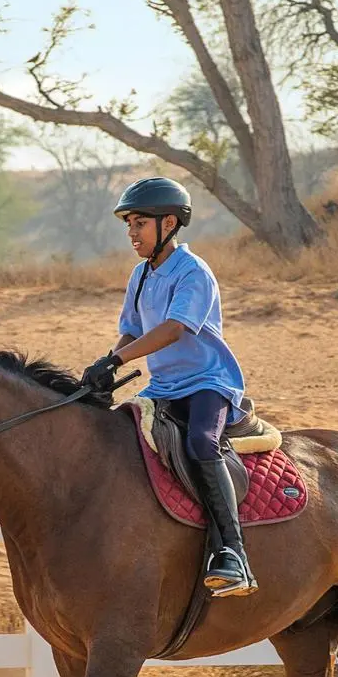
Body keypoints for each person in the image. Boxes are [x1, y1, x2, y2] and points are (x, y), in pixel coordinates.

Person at [82, 176, 255, 597]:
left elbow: (174, 329)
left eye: (139, 223)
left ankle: (233, 553)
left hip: (207, 383)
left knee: (200, 443)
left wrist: (120, 359)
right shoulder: (140, 275)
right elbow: (131, 331)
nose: (131, 233)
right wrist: (106, 362)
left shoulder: (194, 272)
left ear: (170, 224)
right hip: (163, 387)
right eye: (129, 225)